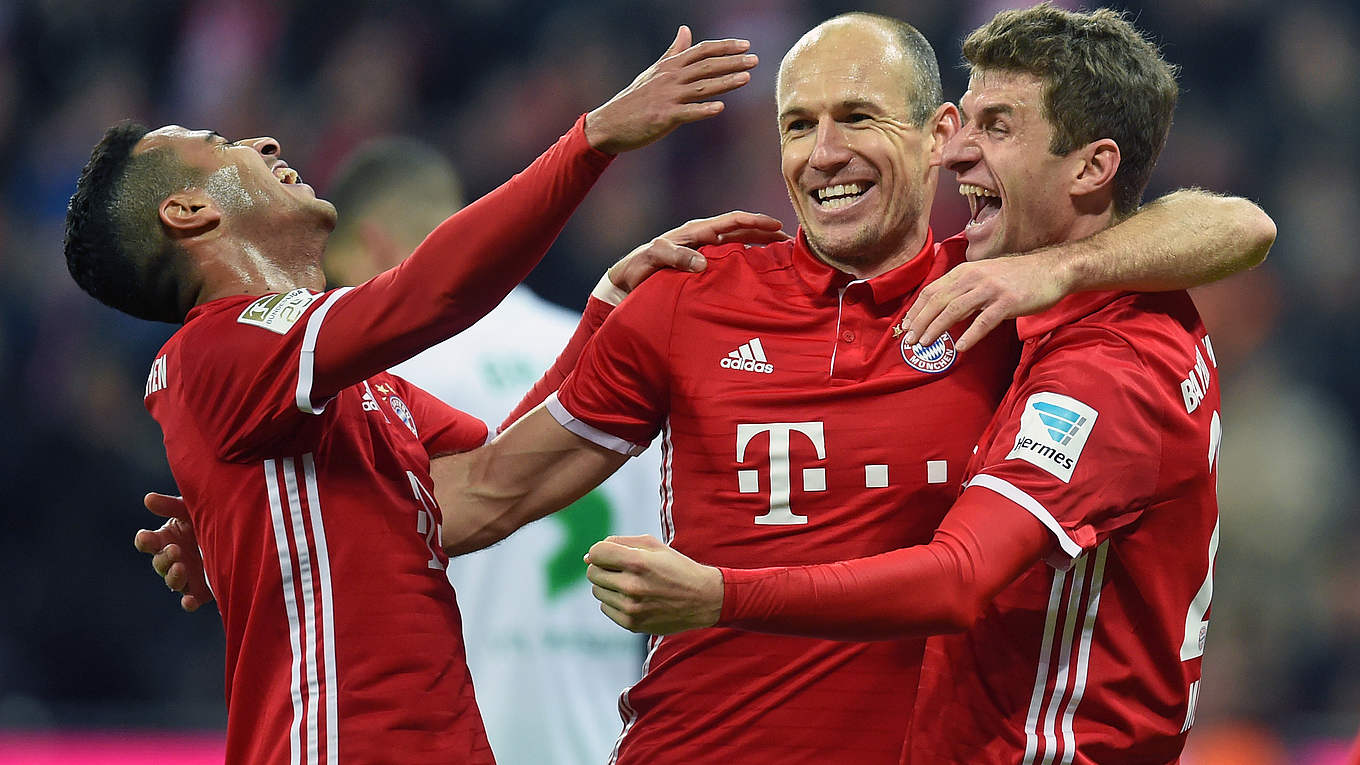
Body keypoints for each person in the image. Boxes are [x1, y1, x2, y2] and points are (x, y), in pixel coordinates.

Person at [140, 12, 1274, 764]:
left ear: (939, 138)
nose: (821, 154)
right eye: (797, 125)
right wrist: (265, 535)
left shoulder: (1004, 308)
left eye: (855, 119)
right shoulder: (690, 292)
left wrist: (1055, 268)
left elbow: (1232, 223)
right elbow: (477, 497)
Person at [68, 28, 759, 764]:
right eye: (219, 144)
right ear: (188, 212)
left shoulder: (352, 389)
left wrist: (611, 313)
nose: (262, 142)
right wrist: (592, 140)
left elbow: (494, 481)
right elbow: (430, 294)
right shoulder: (212, 354)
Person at [583, 6, 1251, 763]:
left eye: (997, 127)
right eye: (966, 121)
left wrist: (718, 594)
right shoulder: (1100, 292)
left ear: (1092, 168)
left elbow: (958, 578)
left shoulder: (1106, 366)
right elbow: (1244, 225)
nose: (957, 151)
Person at [324, 138, 663, 765]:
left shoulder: (385, 377)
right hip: (607, 740)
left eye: (341, 281)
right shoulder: (612, 356)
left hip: (437, 740)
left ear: (374, 246)